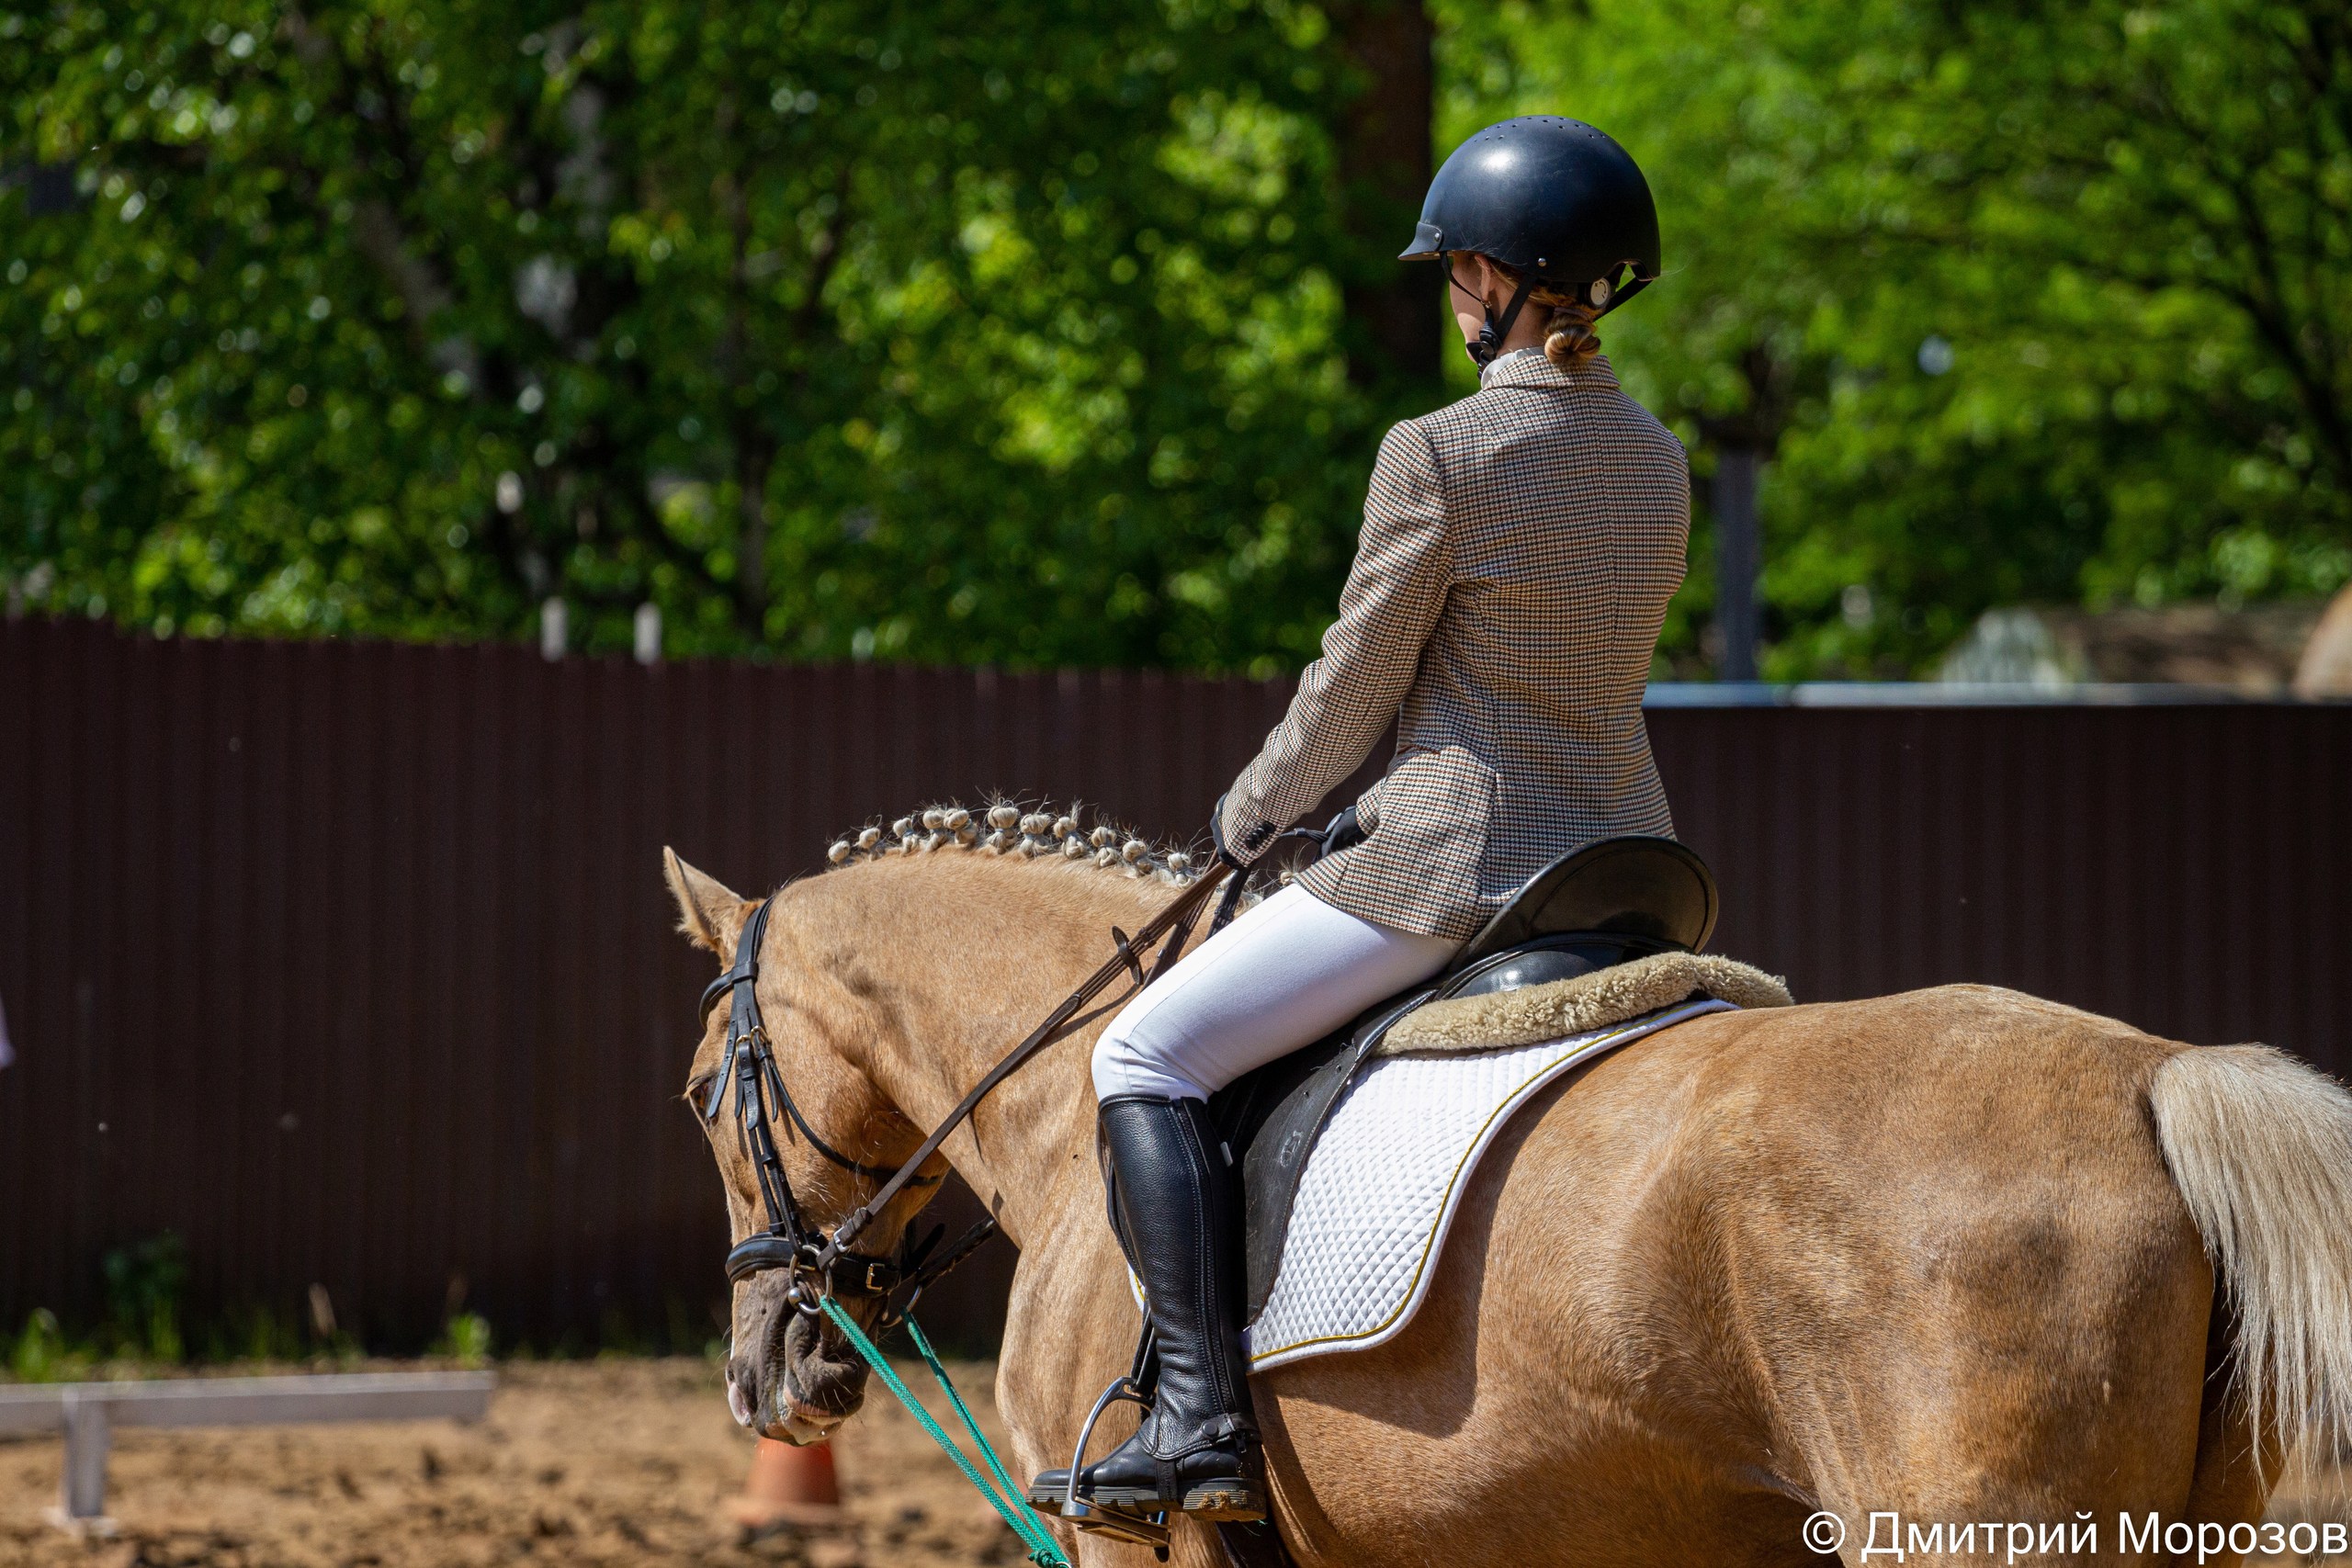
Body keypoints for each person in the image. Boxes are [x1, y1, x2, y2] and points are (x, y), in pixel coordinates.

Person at [1036, 117, 1690, 1523]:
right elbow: (1552, 674)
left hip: (1459, 866)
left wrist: (1253, 812)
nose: (1450, 300)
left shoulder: (1442, 452)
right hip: (1626, 861)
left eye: (1454, 273)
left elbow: (1356, 681)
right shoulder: (1657, 460)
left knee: (1143, 1052)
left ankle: (1203, 1422)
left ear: (1492, 274)